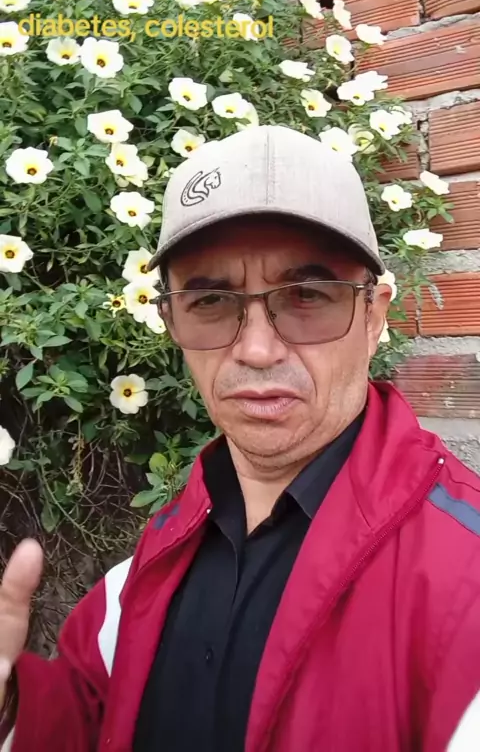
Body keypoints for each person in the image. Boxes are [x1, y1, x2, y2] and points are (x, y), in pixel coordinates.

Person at [0, 125, 479, 752]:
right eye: (212, 302)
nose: (256, 349)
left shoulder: (464, 585)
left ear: (374, 316)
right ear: (170, 319)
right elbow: (87, 721)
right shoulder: (150, 562)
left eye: (307, 296)